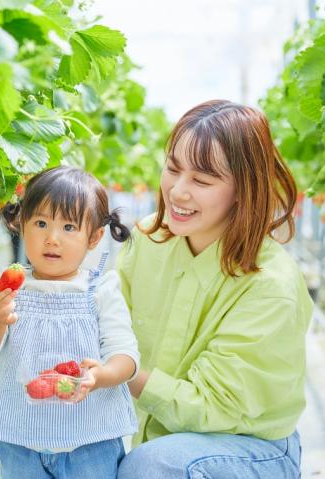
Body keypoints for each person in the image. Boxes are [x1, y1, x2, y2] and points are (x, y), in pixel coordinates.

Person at [116, 100, 312, 478]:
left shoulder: (270, 285)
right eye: (173, 169)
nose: (178, 191)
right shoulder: (147, 240)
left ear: (243, 189)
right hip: (164, 440)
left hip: (252, 449)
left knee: (151, 466)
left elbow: (214, 407)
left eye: (202, 181)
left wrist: (119, 374)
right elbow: (109, 326)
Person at [0, 166, 139, 479]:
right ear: (21, 224)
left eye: (69, 227)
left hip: (90, 439)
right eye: (41, 223)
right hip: (19, 439)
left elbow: (126, 355)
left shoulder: (101, 289)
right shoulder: (9, 287)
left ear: (95, 237)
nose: (52, 238)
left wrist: (101, 376)